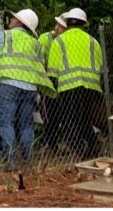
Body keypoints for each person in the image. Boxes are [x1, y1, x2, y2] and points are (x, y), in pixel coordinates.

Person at [0, 8, 54, 170]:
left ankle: (10, 161)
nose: (11, 20)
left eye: (14, 18)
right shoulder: (35, 43)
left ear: (20, 22)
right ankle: (30, 161)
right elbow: (41, 64)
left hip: (8, 84)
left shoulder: (3, 36)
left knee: (6, 123)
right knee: (27, 124)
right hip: (30, 87)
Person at [46, 7, 104, 161]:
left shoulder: (59, 41)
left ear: (67, 22)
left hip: (69, 86)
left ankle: (79, 150)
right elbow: (100, 66)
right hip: (92, 86)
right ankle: (92, 144)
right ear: (83, 24)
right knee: (84, 118)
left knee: (68, 120)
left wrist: (51, 89)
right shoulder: (93, 42)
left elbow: (53, 70)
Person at [38, 14, 67, 147]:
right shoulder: (44, 39)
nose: (57, 28)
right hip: (49, 80)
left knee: (63, 112)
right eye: (57, 25)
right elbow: (39, 60)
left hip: (64, 80)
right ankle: (52, 143)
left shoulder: (67, 41)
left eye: (61, 27)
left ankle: (60, 141)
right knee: (50, 113)